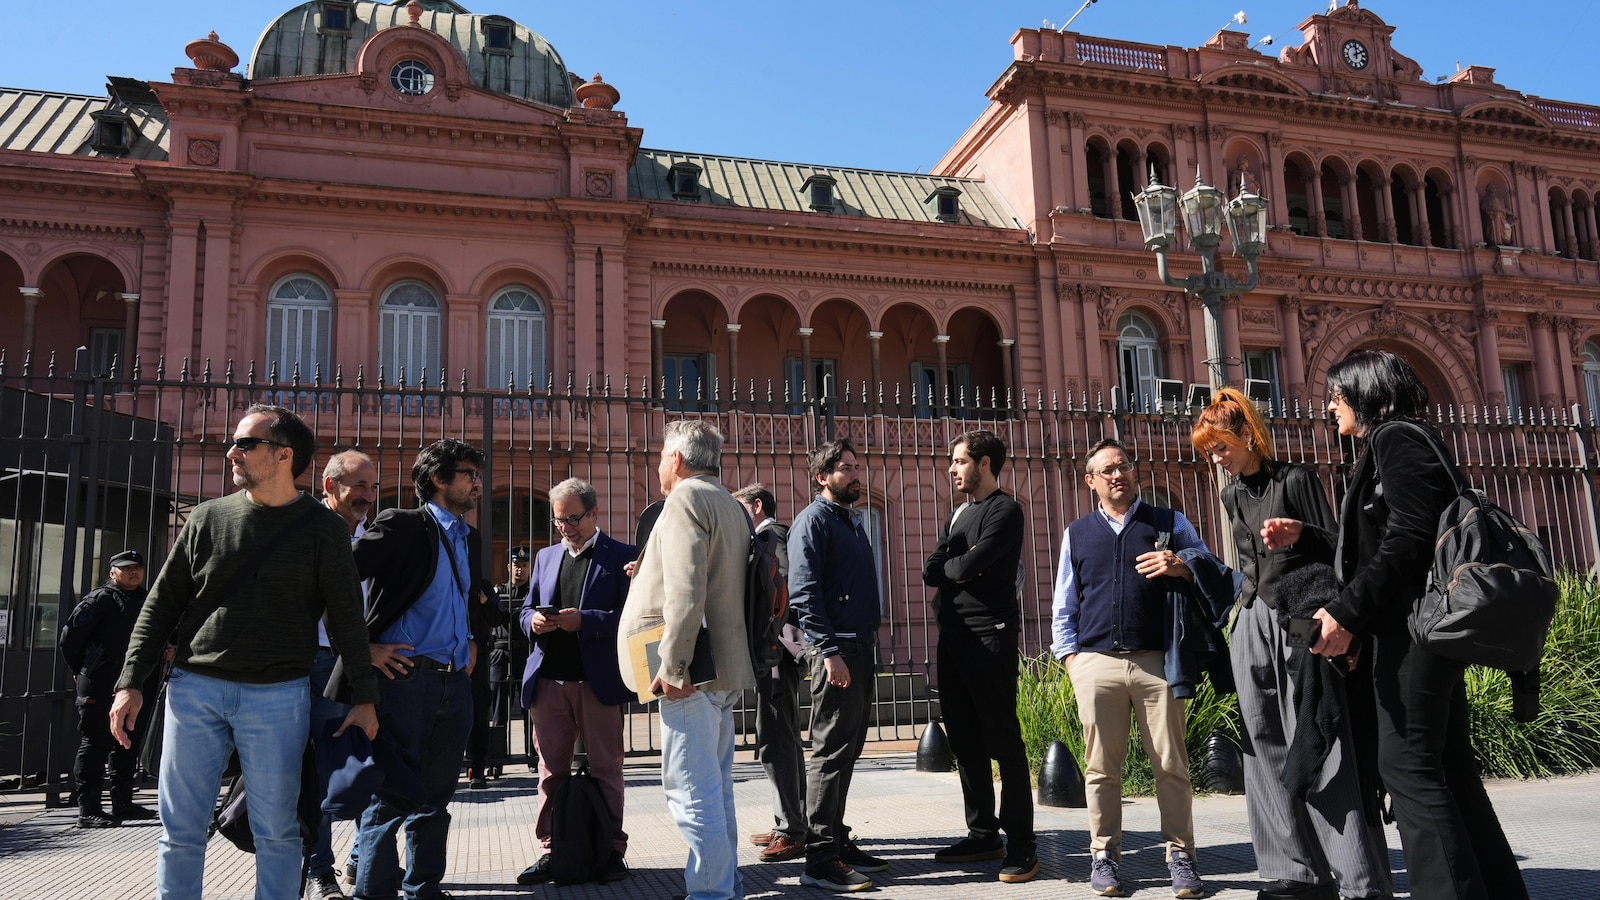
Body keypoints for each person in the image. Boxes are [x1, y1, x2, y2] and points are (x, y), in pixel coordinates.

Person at [108, 404, 378, 900]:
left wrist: (363, 697)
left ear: (282, 455)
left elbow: (346, 620)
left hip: (279, 696)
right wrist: (129, 683)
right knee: (181, 830)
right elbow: (160, 605)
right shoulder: (208, 517)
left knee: (277, 831)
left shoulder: (323, 530)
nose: (231, 451)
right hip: (195, 691)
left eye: (245, 443)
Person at [1307, 350, 1528, 900]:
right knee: (1447, 770)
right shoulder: (1403, 440)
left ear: (1365, 392)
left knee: (1408, 769)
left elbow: (1409, 537)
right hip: (1417, 629)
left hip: (1416, 632)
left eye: (1337, 394)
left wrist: (1347, 613)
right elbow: (1384, 541)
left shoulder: (1394, 438)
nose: (1329, 406)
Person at [1191, 390, 1392, 900]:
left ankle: (1359, 878)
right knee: (1261, 738)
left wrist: (1300, 532)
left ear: (1247, 435)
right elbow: (1245, 565)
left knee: (1320, 729)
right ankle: (1294, 871)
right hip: (1253, 618)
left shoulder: (1296, 479)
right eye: (1209, 450)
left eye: (1220, 447)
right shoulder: (1231, 492)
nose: (1216, 458)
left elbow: (1340, 550)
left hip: (1301, 615)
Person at [1051, 438, 1224, 899]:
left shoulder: (1168, 522)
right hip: (1095, 663)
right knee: (1101, 769)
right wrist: (1071, 659)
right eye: (1106, 470)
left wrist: (1179, 562)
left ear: (1134, 472)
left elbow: (1209, 566)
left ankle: (1181, 857)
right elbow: (1065, 602)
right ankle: (1104, 856)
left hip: (1157, 663)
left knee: (1171, 763)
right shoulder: (1077, 532)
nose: (1117, 475)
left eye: (1123, 466)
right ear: (1090, 482)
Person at [337, 439, 488, 900]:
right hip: (404, 679)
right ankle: (375, 891)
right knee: (391, 794)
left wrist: (472, 640)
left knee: (437, 795)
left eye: (478, 475)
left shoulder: (470, 536)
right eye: (467, 474)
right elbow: (336, 575)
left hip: (452, 681)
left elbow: (466, 595)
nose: (477, 483)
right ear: (438, 480)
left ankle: (423, 888)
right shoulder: (403, 525)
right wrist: (364, 646)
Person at [617, 420, 756, 900]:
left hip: (690, 673)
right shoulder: (732, 505)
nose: (658, 464)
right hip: (723, 667)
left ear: (676, 458)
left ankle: (712, 893)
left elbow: (686, 589)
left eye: (660, 455)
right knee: (715, 787)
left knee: (691, 792)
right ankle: (725, 884)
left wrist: (672, 667)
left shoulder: (684, 500)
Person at [923, 430, 1038, 883]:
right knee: (964, 739)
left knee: (1001, 740)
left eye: (959, 461)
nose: (952, 469)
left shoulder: (1006, 511)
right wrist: (957, 567)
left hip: (990, 636)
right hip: (952, 639)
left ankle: (1022, 844)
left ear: (984, 463)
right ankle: (982, 833)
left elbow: (963, 566)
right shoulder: (958, 514)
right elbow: (935, 569)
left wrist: (958, 566)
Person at [514, 478, 637, 886]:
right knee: (550, 772)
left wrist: (584, 621)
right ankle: (553, 849)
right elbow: (525, 607)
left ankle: (610, 851)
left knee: (606, 768)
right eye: (559, 520)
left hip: (596, 683)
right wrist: (531, 620)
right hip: (548, 682)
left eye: (573, 518)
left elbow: (632, 618)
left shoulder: (621, 556)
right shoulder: (546, 556)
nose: (565, 527)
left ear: (594, 513)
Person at [787, 438, 886, 893]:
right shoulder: (812, 522)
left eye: (856, 465)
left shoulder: (851, 521)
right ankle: (820, 858)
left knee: (848, 752)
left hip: (860, 648)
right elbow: (804, 594)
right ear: (822, 477)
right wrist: (828, 653)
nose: (855, 473)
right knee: (828, 753)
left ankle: (837, 841)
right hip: (838, 652)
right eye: (845, 467)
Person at [302, 449, 379, 900]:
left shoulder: (375, 534)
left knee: (372, 768)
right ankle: (320, 872)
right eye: (358, 486)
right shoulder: (309, 529)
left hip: (369, 668)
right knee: (326, 771)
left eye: (372, 486)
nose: (368, 496)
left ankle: (363, 862)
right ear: (330, 486)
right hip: (320, 664)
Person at [732, 483, 807, 864]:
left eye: (739, 508)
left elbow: (784, 593)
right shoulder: (763, 539)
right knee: (781, 738)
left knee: (776, 739)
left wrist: (771, 642)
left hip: (774, 652)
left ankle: (792, 830)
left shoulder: (772, 537)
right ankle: (791, 821)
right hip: (771, 650)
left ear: (757, 507)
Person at [59, 549, 158, 828]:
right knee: (96, 742)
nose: (134, 572)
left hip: (135, 684)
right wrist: (84, 670)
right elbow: (70, 641)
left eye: (137, 567)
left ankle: (123, 804)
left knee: (128, 740)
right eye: (127, 568)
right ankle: (88, 810)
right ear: (113, 572)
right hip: (101, 682)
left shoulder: (146, 598)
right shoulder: (98, 600)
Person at [491, 545, 535, 776]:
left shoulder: (534, 593)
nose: (520, 569)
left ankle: (532, 756)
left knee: (529, 705)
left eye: (525, 565)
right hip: (501, 654)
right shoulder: (498, 591)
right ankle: (496, 759)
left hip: (526, 653)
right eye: (517, 565)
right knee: (499, 709)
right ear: (509, 567)